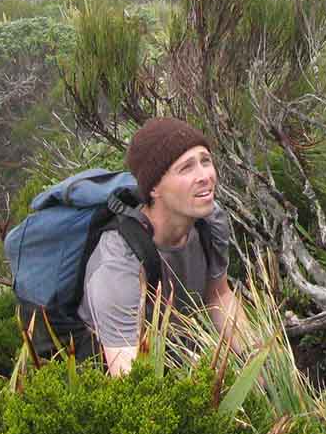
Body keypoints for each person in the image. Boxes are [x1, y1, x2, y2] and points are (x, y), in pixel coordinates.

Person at [79, 117, 242, 375]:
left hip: (177, 354)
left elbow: (218, 296)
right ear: (154, 187)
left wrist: (267, 369)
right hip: (110, 372)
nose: (205, 176)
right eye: (186, 168)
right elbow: (129, 381)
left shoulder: (211, 222)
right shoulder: (119, 264)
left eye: (206, 161)